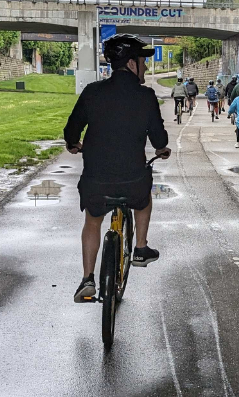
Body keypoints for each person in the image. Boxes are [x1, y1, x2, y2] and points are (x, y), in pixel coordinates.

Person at [64, 33, 171, 303]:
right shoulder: (146, 96)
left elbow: (71, 131)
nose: (145, 67)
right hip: (133, 180)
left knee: (92, 220)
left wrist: (74, 144)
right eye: (142, 62)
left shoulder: (92, 92)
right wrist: (160, 149)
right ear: (132, 64)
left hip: (96, 180)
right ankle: (140, 248)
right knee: (144, 199)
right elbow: (160, 140)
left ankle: (88, 279)